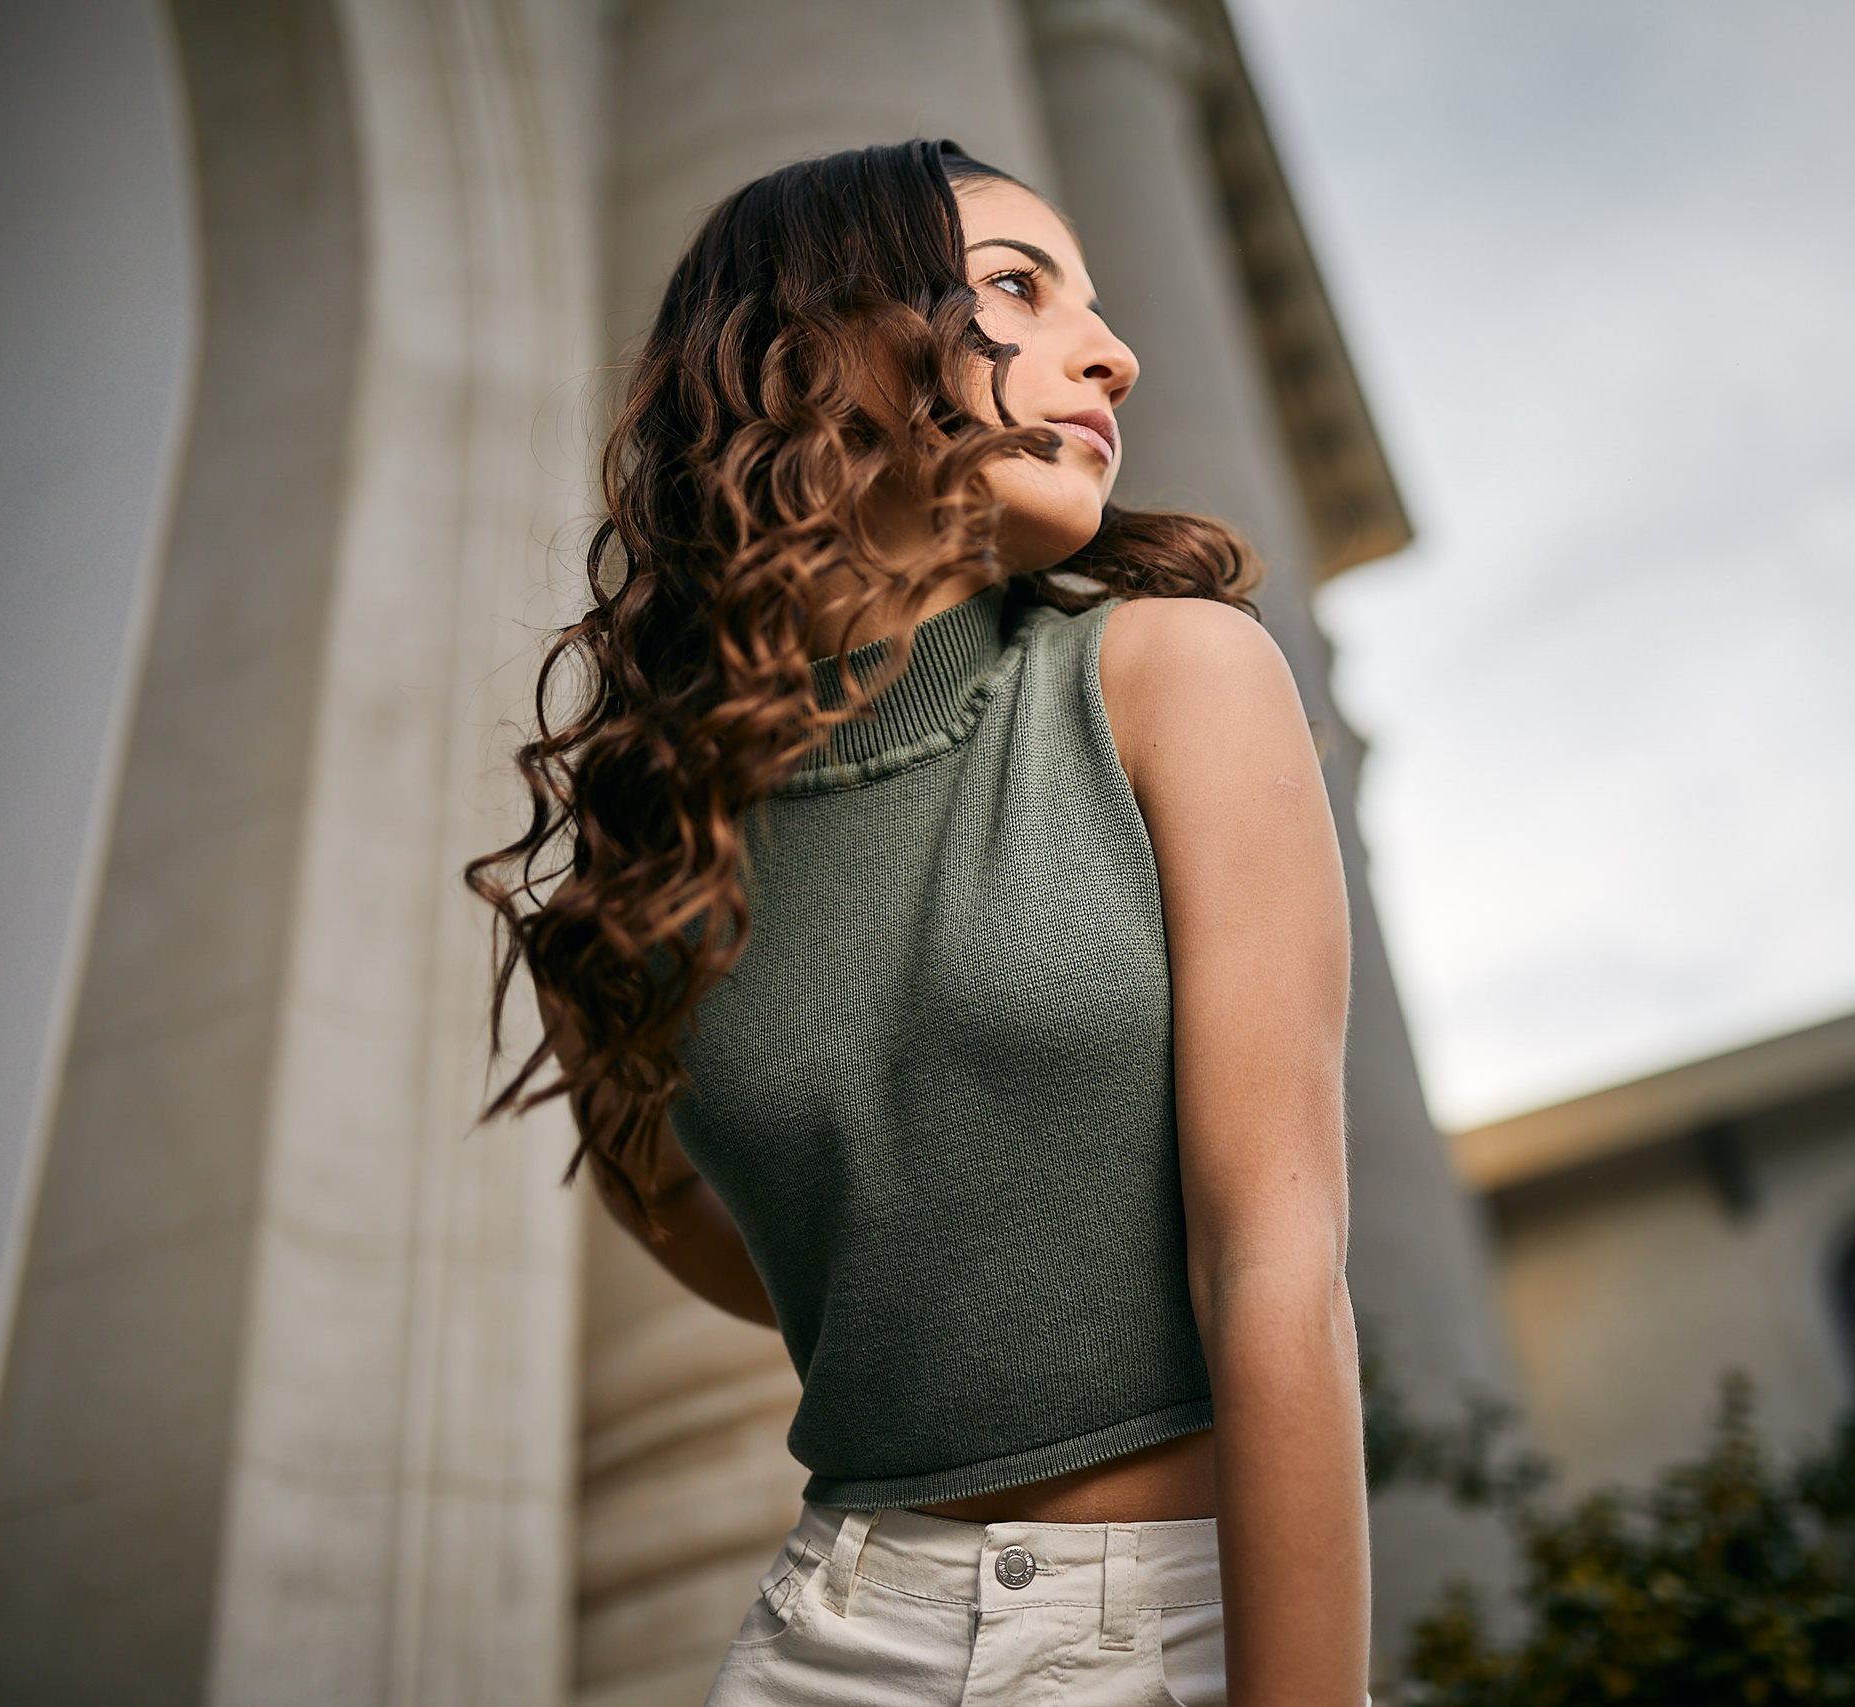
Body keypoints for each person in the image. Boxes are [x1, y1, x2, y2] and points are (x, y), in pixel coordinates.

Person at [468, 139, 1370, 1706]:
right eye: (1020, 287)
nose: (1115, 351)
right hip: (835, 1635)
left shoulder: (1170, 679)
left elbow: (1278, 1268)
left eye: (1093, 303)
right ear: (816, 349)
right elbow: (774, 1263)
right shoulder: (643, 891)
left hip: (1168, 1619)